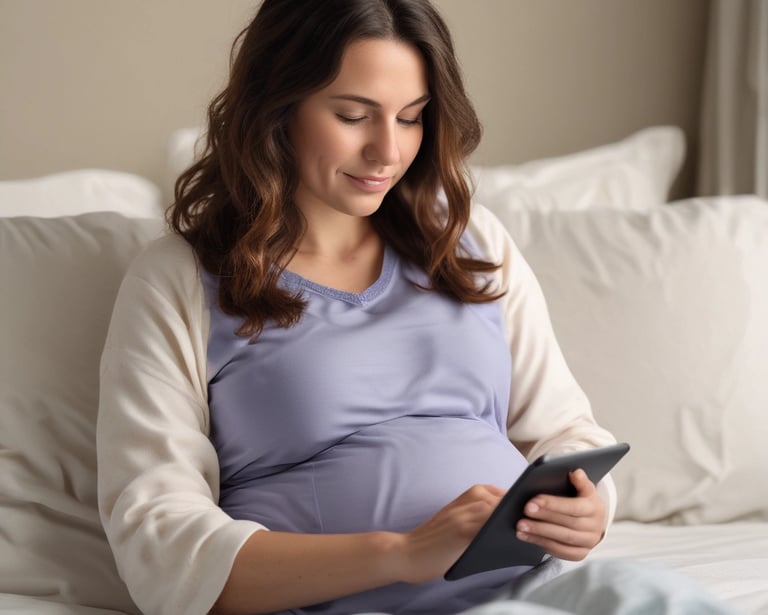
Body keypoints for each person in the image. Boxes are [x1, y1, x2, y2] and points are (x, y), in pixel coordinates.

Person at [96, 1, 619, 614]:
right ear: (276, 108)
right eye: (352, 116)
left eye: (412, 117)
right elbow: (160, 541)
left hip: (533, 595)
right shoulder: (181, 278)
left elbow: (564, 432)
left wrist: (587, 509)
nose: (388, 152)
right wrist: (400, 553)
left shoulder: (471, 242)